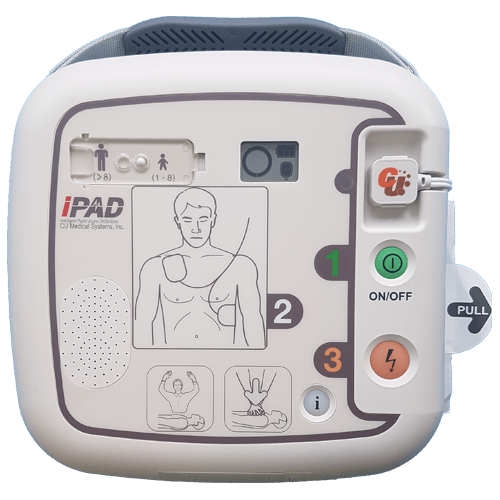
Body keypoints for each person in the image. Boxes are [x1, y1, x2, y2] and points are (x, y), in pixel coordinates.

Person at [135, 187, 265, 348]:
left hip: (224, 358)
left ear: (213, 220)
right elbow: (142, 324)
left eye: (203, 219)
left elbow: (252, 320)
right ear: (177, 221)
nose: (195, 229)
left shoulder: (240, 266)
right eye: (187, 220)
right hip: (174, 359)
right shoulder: (155, 268)